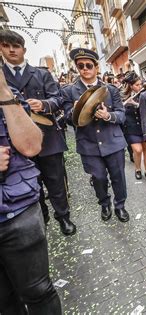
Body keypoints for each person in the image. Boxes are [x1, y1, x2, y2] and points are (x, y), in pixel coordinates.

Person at [0, 29, 75, 235]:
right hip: (16, 143)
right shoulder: (1, 77)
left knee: (56, 182)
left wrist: (43, 104)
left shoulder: (41, 73)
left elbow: (58, 99)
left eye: (16, 46)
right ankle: (42, 217)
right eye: (6, 45)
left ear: (24, 49)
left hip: (48, 138)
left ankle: (64, 217)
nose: (12, 50)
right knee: (32, 184)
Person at [0, 68, 62, 314]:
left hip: (18, 212)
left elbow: (31, 145)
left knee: (39, 292)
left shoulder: (9, 93)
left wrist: (4, 92)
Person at [62, 48, 129, 223]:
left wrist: (108, 116)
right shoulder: (70, 91)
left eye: (88, 65)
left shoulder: (111, 89)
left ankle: (120, 206)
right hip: (89, 144)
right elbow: (68, 121)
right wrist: (75, 111)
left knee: (118, 177)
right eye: (80, 66)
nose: (85, 69)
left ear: (96, 67)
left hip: (113, 142)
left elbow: (122, 115)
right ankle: (105, 204)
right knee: (98, 178)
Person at [122, 71, 146, 180]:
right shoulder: (123, 95)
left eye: (140, 84)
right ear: (130, 86)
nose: (140, 87)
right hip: (131, 127)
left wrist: (136, 104)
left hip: (143, 126)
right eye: (137, 85)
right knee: (138, 150)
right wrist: (125, 103)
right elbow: (118, 110)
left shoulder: (145, 94)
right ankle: (138, 169)